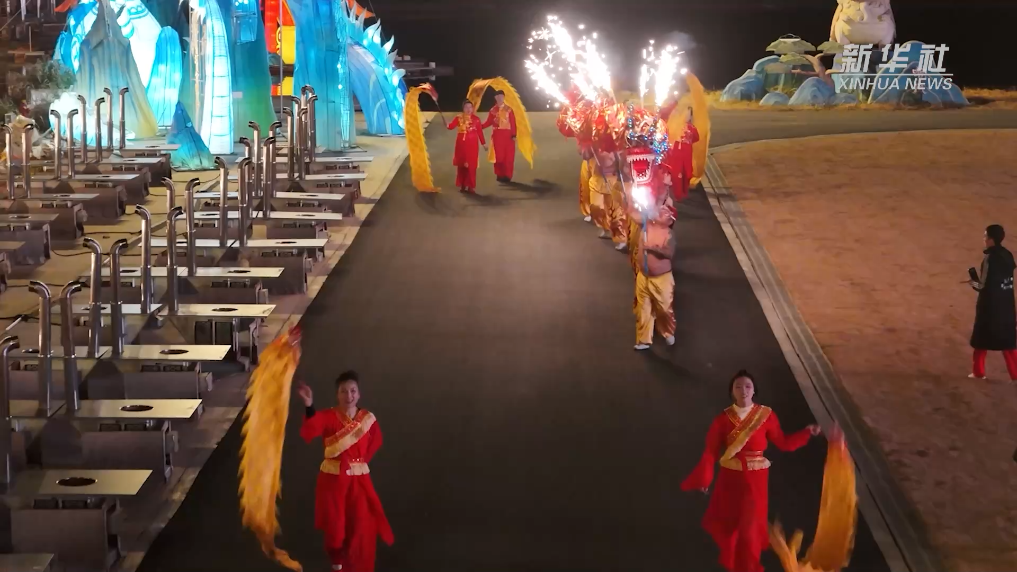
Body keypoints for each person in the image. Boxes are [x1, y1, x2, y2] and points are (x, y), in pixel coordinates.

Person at [681, 371, 821, 572]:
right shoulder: (723, 419)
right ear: (732, 392)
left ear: (754, 390)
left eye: (747, 386)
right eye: (738, 387)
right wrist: (705, 477)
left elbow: (784, 442)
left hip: (755, 481)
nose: (743, 390)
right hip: (730, 481)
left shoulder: (766, 416)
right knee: (733, 529)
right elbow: (711, 450)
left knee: (749, 531)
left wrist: (806, 432)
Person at [297, 370, 394, 572]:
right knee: (336, 527)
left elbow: (376, 441)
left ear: (358, 394)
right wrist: (309, 405)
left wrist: (358, 464)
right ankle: (337, 565)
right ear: (337, 394)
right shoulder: (329, 416)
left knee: (361, 525)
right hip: (333, 481)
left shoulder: (367, 419)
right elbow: (312, 428)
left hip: (359, 482)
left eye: (352, 391)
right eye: (343, 391)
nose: (348, 396)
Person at [968, 224, 1017, 381]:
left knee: (980, 340)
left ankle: (978, 372)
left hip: (989, 307)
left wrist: (972, 282)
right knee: (1008, 343)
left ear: (991, 239)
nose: (984, 239)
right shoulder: (1008, 255)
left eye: (985, 236)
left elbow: (982, 285)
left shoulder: (990, 259)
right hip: (1007, 305)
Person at [632, 191, 677, 351]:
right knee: (643, 307)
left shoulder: (669, 234)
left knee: (664, 309)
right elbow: (635, 213)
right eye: (661, 210)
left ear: (669, 220)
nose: (661, 211)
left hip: (661, 279)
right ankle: (644, 339)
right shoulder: (646, 224)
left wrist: (652, 249)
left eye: (665, 212)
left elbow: (669, 253)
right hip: (643, 276)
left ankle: (667, 331)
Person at [587, 148, 628, 250]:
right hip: (597, 180)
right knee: (596, 208)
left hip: (612, 181)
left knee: (615, 212)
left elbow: (623, 163)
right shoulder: (593, 143)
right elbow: (585, 155)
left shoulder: (617, 144)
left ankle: (621, 238)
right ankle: (606, 228)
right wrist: (587, 146)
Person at [447, 100, 487, 194]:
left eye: (470, 107)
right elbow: (451, 126)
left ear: (472, 108)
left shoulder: (476, 119)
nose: (468, 109)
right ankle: (462, 185)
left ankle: (471, 186)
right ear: (463, 109)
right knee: (461, 165)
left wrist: (484, 143)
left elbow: (480, 132)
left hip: (472, 146)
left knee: (471, 166)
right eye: (466, 107)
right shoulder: (458, 118)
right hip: (461, 145)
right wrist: (447, 124)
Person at [481, 90, 517, 183]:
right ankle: (499, 174)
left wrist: (514, 134)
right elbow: (488, 122)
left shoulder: (509, 109)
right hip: (497, 136)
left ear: (504, 97)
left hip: (508, 135)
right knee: (498, 156)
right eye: (498, 96)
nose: (500, 98)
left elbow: (513, 122)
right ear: (495, 98)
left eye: (501, 96)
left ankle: (507, 175)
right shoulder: (492, 110)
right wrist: (479, 127)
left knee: (508, 157)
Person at [578, 151, 593, 222]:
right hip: (588, 161)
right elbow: (580, 151)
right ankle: (589, 212)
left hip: (603, 161)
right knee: (585, 187)